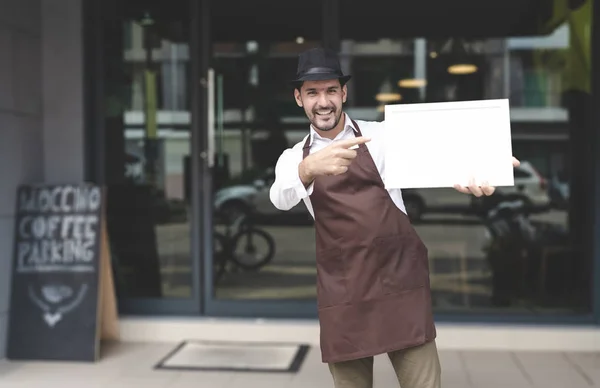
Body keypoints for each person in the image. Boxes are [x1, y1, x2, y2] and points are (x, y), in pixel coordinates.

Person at [269, 47, 520, 388]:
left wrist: (483, 167)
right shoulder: (293, 158)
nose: (323, 101)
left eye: (330, 90)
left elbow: (441, 155)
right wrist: (308, 168)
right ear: (299, 98)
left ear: (344, 93)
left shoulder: (382, 136)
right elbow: (280, 197)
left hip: (400, 280)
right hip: (344, 291)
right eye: (312, 92)